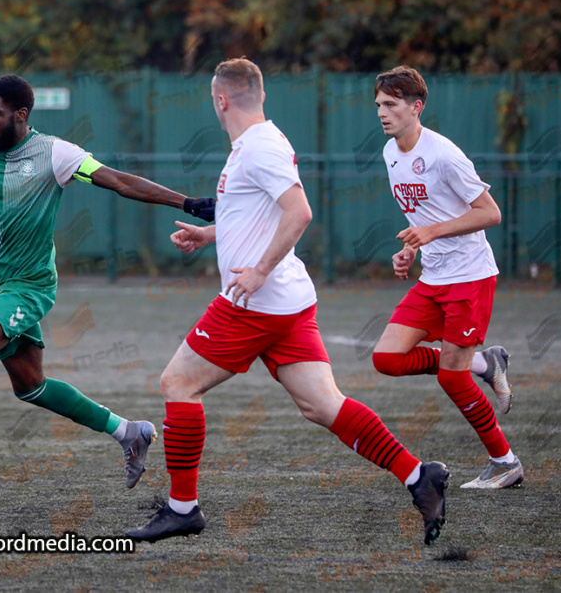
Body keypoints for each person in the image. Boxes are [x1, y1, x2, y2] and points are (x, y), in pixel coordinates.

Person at [126, 58, 450, 546]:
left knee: (178, 383)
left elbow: (299, 213)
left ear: (220, 99)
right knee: (323, 406)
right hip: (287, 304)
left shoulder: (257, 148)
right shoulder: (255, 145)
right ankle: (417, 476)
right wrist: (209, 234)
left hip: (253, 304)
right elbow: (257, 214)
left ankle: (182, 509)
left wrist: (258, 270)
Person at [0, 74, 216, 504]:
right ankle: (130, 432)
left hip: (30, 287)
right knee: (30, 385)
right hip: (0, 287)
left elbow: (120, 181)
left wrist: (186, 203)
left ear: (21, 114)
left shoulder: (56, 154)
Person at [370, 66, 522, 490]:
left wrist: (430, 233)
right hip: (433, 277)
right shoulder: (390, 153)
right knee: (387, 358)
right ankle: (483, 362)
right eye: (379, 105)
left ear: (416, 107)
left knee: (451, 378)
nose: (382, 113)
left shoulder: (443, 153)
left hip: (469, 278)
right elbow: (424, 216)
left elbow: (490, 213)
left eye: (391, 105)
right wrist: (409, 251)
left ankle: (505, 462)